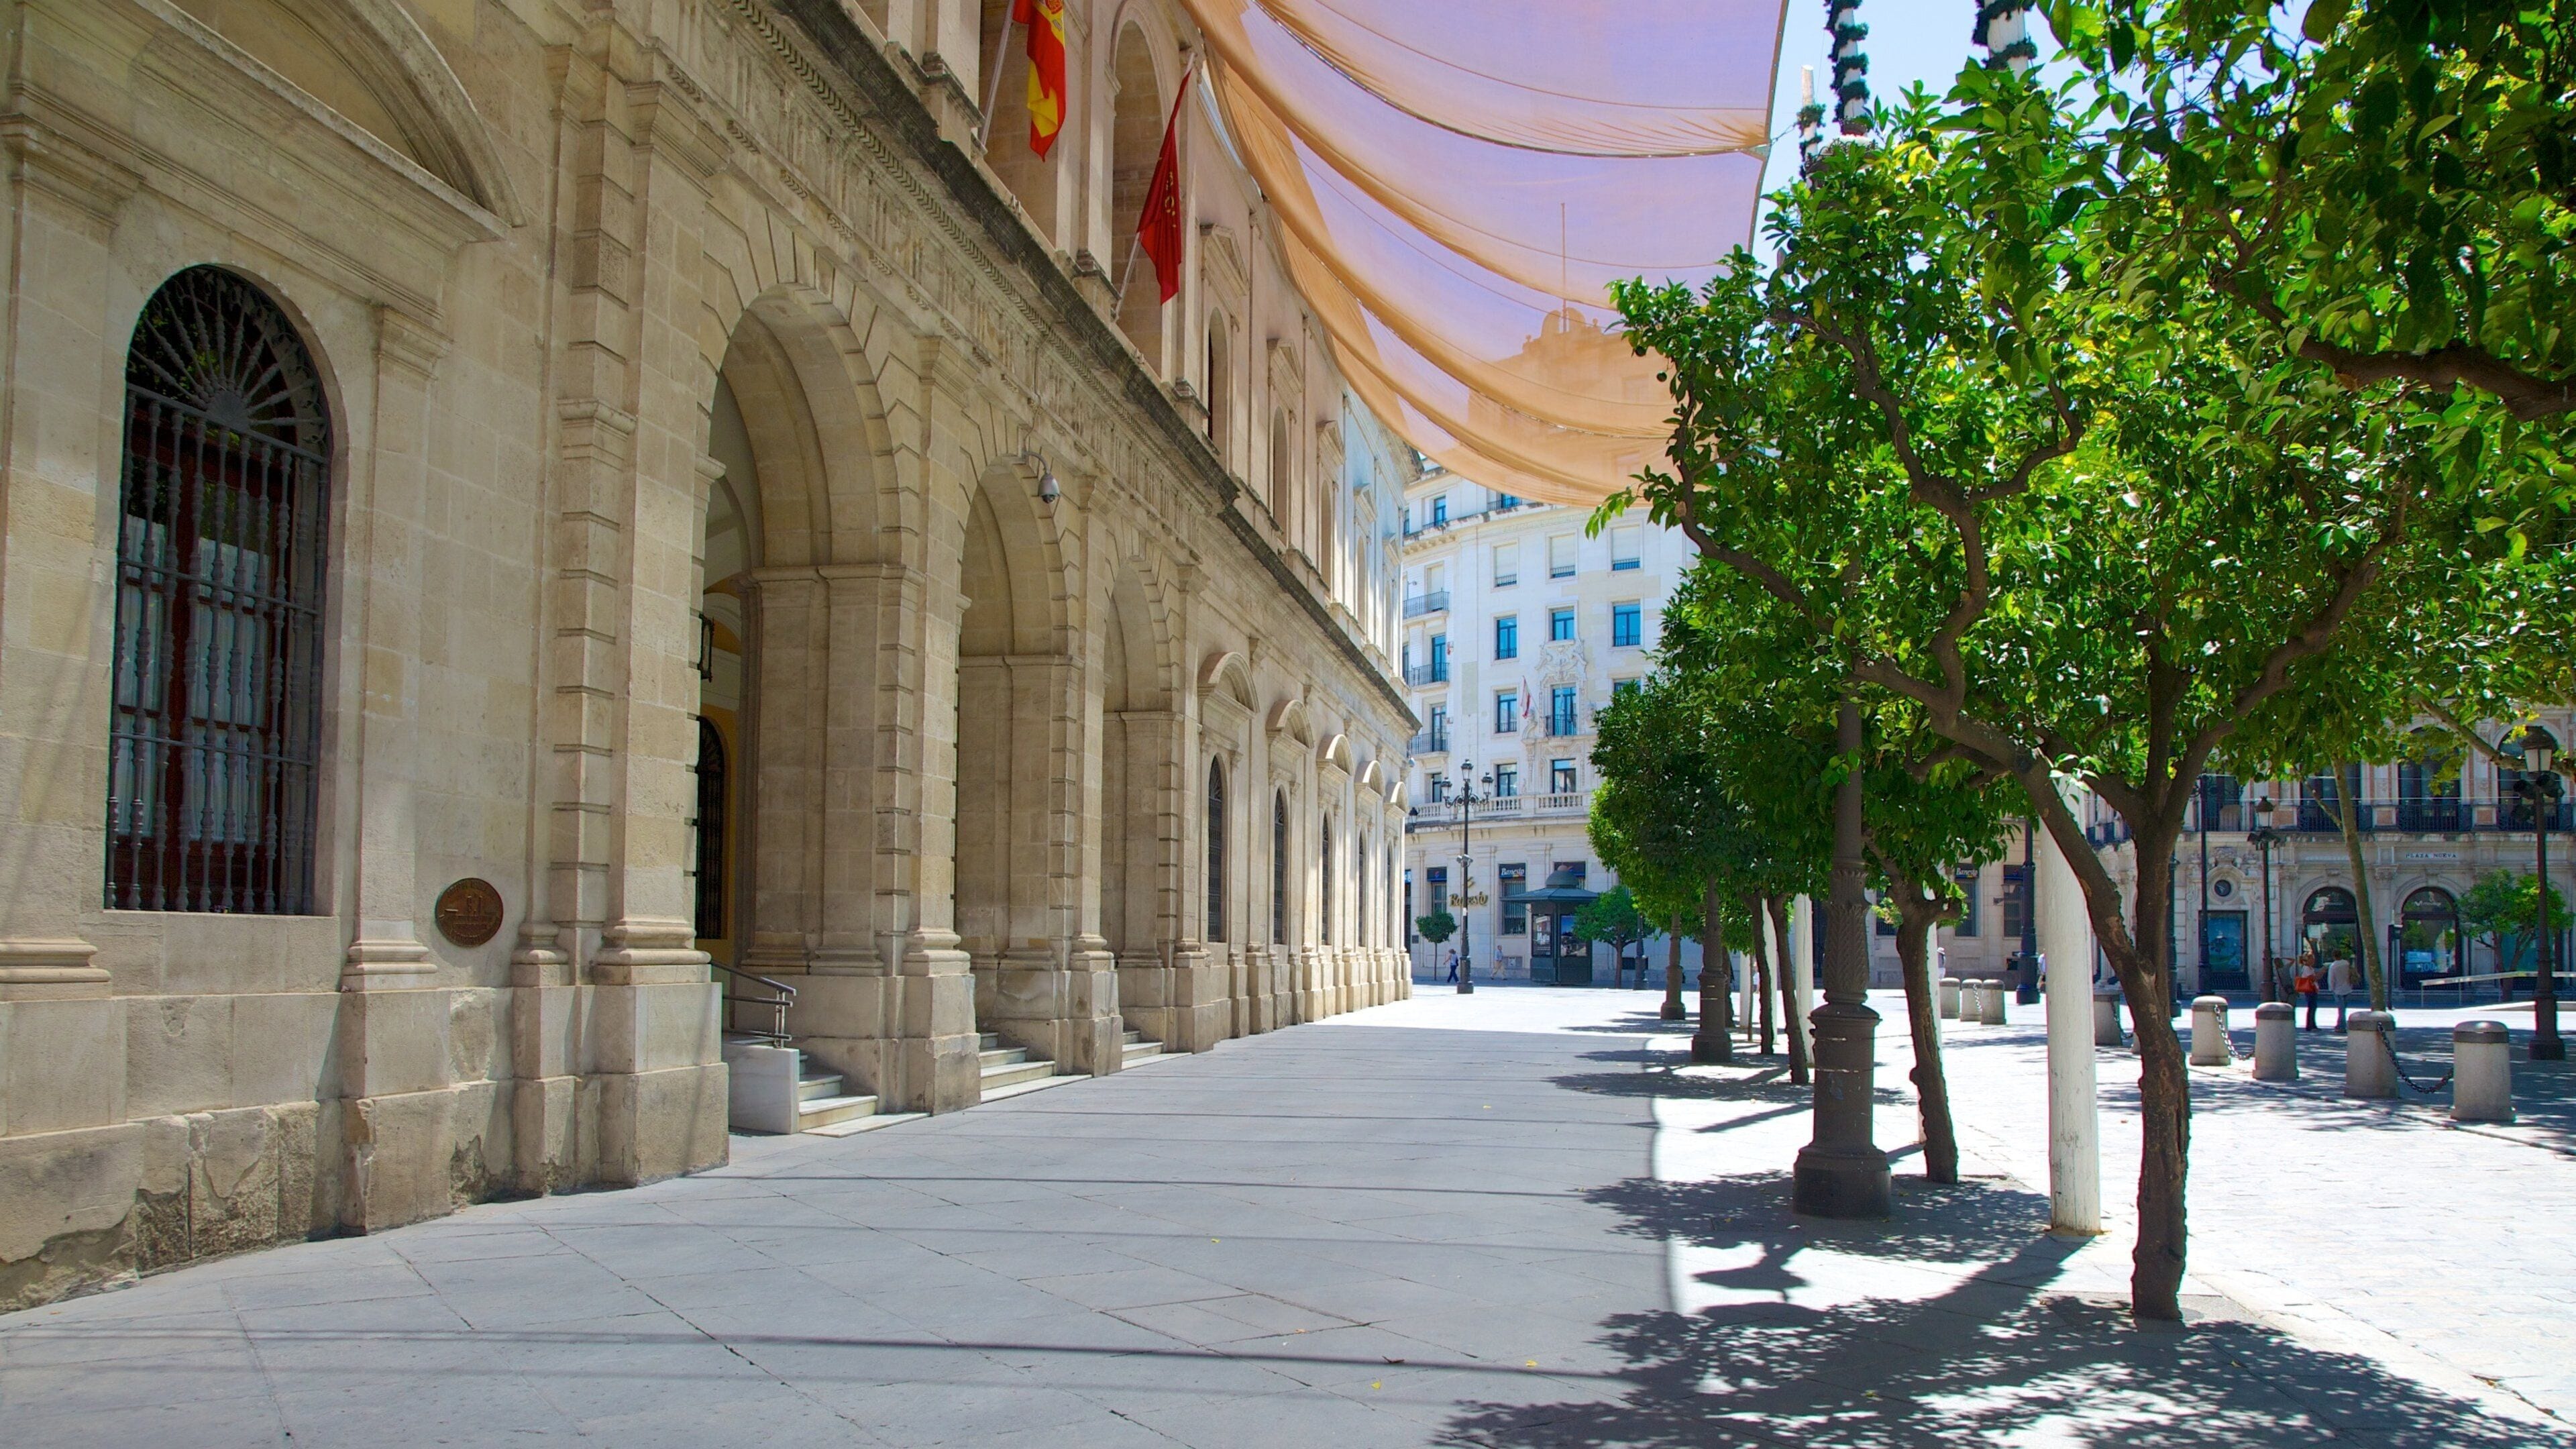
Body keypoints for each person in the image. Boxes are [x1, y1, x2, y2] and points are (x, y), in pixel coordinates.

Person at [2327, 955, 2360, 1030]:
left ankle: (2342, 1025)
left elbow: (2331, 979)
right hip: (2348, 988)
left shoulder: (2333, 966)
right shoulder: (2347, 964)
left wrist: (2331, 988)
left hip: (2338, 990)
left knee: (2341, 1009)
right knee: (2344, 1008)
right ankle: (2340, 1024)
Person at [2294, 950, 2322, 1030]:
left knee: (2313, 1007)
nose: (2313, 960)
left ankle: (2312, 1024)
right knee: (2312, 1007)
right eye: (2312, 959)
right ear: (2308, 959)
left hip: (2312, 989)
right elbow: (2312, 978)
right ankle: (2310, 1025)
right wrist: (2321, 972)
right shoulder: (2307, 968)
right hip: (2310, 990)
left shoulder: (2310, 968)